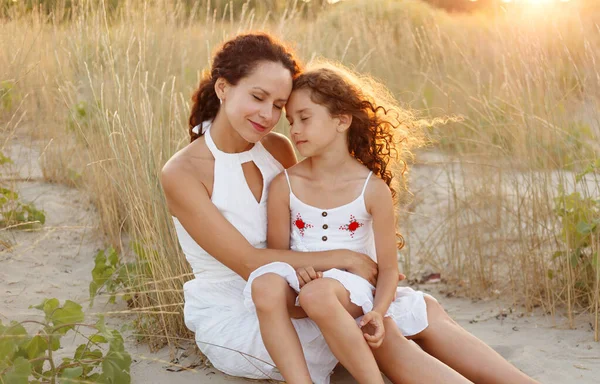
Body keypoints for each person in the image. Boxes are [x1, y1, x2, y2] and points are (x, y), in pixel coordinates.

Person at [161, 32, 539, 384]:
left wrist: (352, 269)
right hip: (247, 309)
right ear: (223, 87)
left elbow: (309, 216)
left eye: (279, 105)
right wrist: (343, 258)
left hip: (306, 280)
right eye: (258, 98)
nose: (268, 116)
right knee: (384, 332)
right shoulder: (183, 172)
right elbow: (247, 261)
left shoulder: (276, 148)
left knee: (421, 310)